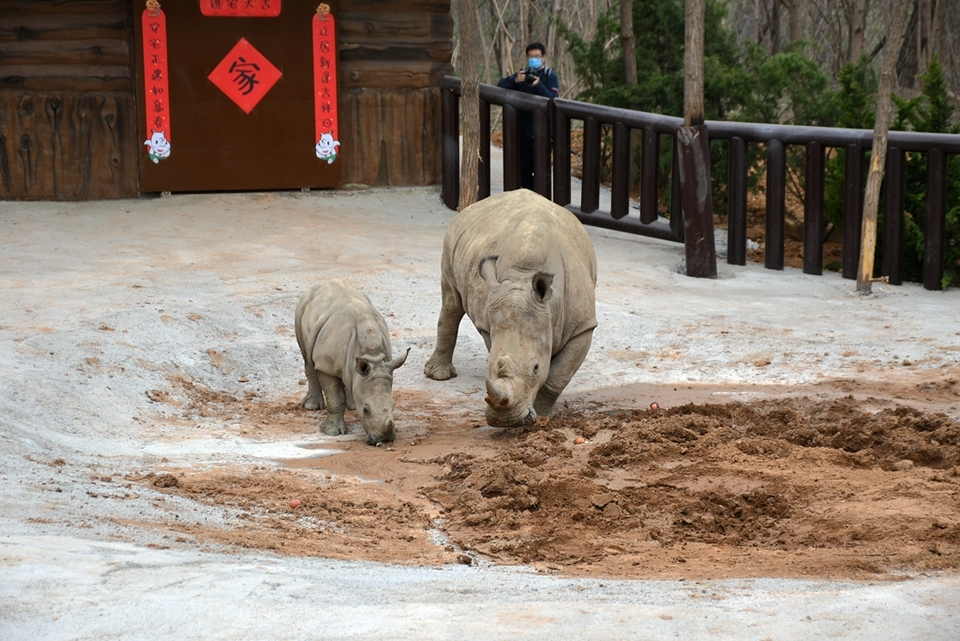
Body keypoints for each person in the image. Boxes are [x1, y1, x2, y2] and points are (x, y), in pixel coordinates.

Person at [497, 42, 559, 191]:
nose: (533, 59)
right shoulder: (522, 75)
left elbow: (552, 99)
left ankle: (542, 202)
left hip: (543, 134)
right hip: (523, 133)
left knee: (542, 172)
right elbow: (500, 86)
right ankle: (529, 198)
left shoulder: (550, 76)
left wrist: (538, 85)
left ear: (543, 58)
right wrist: (514, 80)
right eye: (530, 56)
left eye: (537, 56)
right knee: (523, 171)